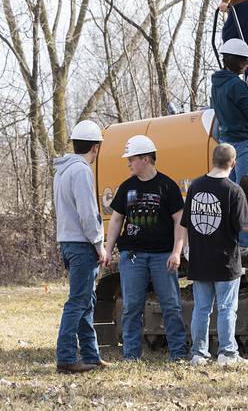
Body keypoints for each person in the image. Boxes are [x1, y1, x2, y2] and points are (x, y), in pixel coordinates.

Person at [101, 135, 188, 361]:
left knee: (171, 305)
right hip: (132, 257)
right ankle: (131, 355)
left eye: (132, 159)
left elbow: (180, 221)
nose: (128, 163)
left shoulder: (167, 186)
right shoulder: (126, 187)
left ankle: (178, 354)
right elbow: (117, 220)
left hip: (163, 256)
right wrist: (108, 250)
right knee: (131, 306)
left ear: (146, 159)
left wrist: (177, 251)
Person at [180, 143, 248, 367]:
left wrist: (187, 249)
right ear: (233, 163)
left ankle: (198, 353)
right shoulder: (234, 190)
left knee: (202, 309)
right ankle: (227, 353)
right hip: (225, 260)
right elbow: (245, 225)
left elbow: (186, 222)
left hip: (199, 258)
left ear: (213, 159)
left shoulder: (195, 186)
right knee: (227, 308)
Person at [53, 120, 109, 374]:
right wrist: (99, 244)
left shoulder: (62, 170)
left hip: (66, 242)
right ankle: (65, 357)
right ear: (95, 147)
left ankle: (91, 355)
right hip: (81, 244)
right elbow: (88, 214)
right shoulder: (82, 170)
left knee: (86, 300)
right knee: (77, 301)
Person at [211, 37, 248, 251]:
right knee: (246, 190)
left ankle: (232, 240)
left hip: (226, 140)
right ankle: (246, 243)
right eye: (244, 62)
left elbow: (226, 109)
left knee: (230, 191)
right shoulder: (236, 84)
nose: (246, 65)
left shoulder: (217, 83)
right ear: (238, 62)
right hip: (242, 142)